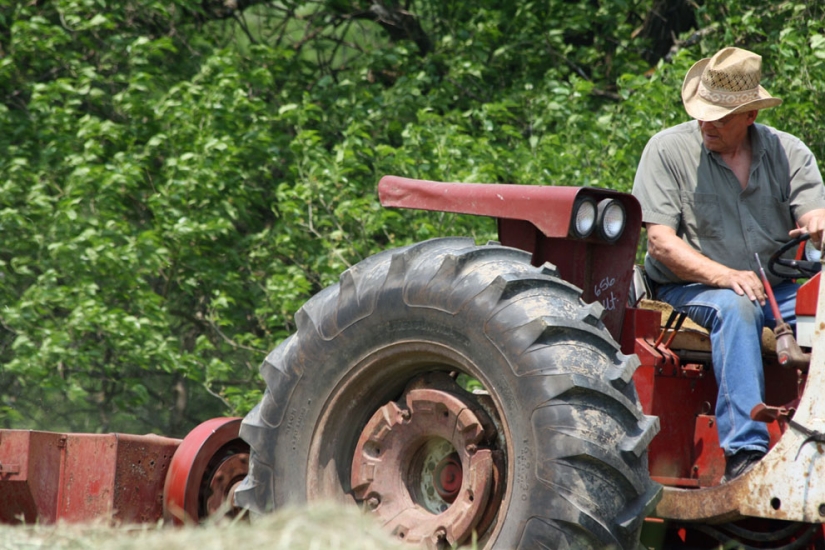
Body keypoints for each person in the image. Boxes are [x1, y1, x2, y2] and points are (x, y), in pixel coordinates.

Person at [631, 46, 825, 482]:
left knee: (824, 302)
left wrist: (817, 224)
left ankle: (815, 434)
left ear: (751, 115)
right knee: (735, 307)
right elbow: (661, 243)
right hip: (690, 291)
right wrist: (725, 276)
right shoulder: (667, 150)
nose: (706, 123)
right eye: (702, 112)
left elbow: (814, 211)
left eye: (719, 116)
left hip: (776, 289)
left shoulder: (788, 152)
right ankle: (746, 454)